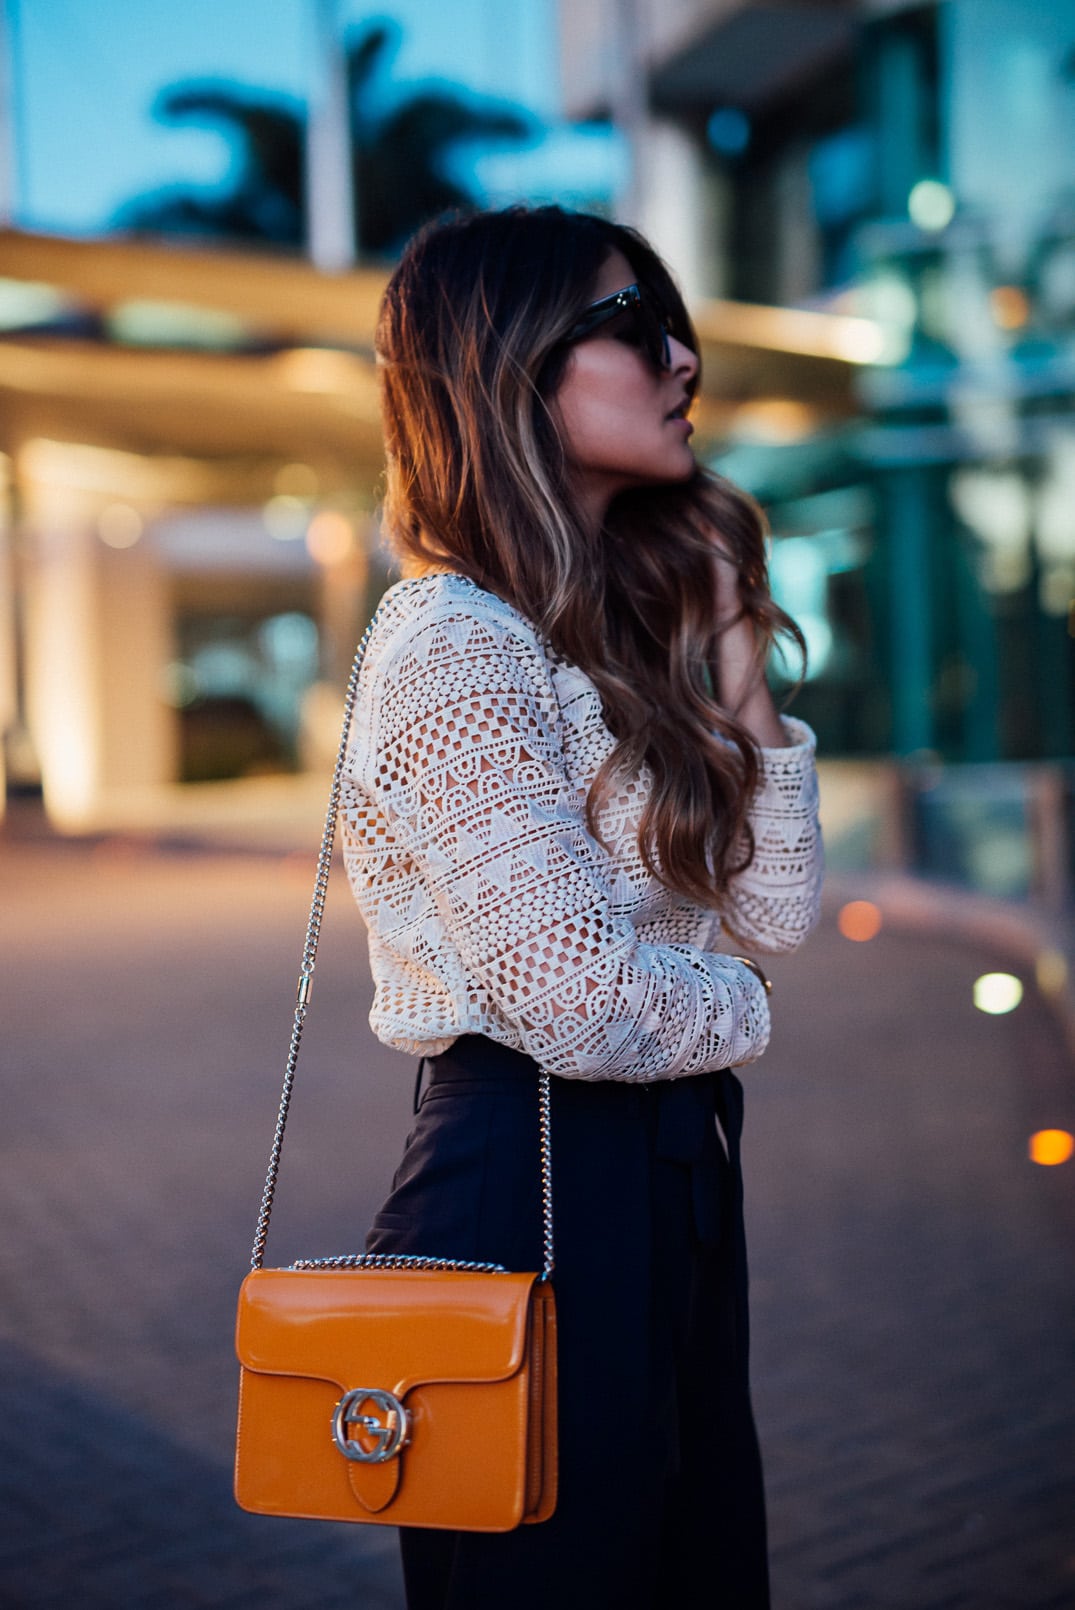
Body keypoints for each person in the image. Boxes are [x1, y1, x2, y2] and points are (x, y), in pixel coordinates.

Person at [338, 205, 823, 1610]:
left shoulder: (603, 641)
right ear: (507, 363)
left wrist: (734, 643)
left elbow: (774, 908)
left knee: (694, 1562)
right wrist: (747, 1015)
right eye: (633, 324)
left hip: (667, 1167)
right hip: (525, 1168)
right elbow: (580, 996)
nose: (683, 358)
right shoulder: (453, 641)